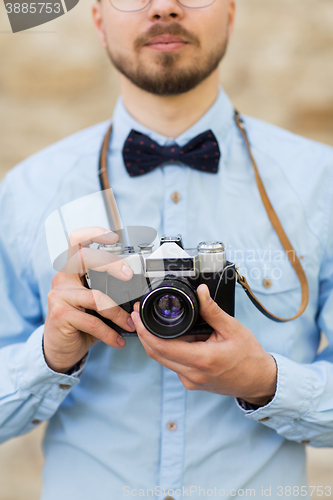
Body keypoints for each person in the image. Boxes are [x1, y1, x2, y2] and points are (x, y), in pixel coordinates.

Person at [0, 0, 333, 498]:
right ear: (98, 20)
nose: (164, 7)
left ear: (231, 13)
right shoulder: (27, 191)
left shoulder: (320, 184)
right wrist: (49, 356)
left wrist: (265, 381)